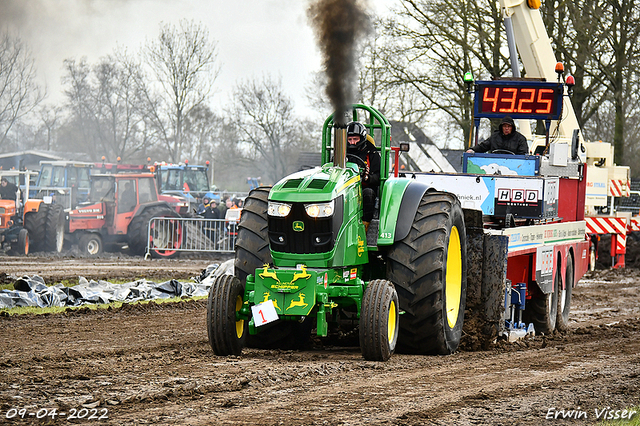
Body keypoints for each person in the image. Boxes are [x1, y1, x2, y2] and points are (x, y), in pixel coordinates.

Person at [346, 121, 380, 230]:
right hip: (345, 187)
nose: (352, 142)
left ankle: (364, 228)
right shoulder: (341, 152)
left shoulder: (372, 153)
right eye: (350, 139)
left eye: (355, 139)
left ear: (362, 138)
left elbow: (378, 176)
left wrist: (367, 177)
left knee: (368, 193)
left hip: (364, 187)